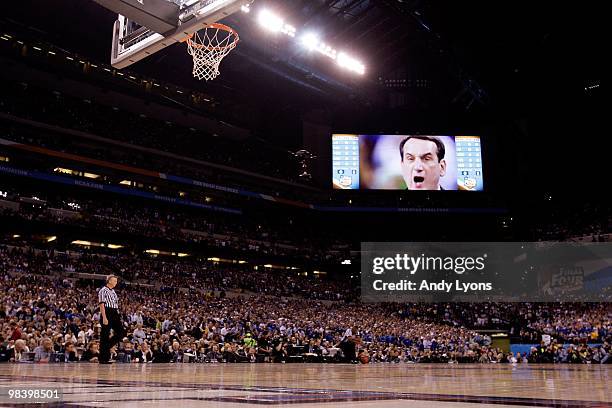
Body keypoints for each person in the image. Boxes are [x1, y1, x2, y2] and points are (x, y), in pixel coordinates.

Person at [98, 275, 125, 364]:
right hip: (107, 311)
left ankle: (106, 347)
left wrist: (118, 315)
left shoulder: (113, 291)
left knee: (121, 332)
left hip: (114, 312)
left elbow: (115, 304)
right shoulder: (103, 290)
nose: (116, 283)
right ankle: (103, 358)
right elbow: (101, 304)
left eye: (116, 281)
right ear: (109, 281)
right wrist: (104, 317)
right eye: (114, 281)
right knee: (104, 335)